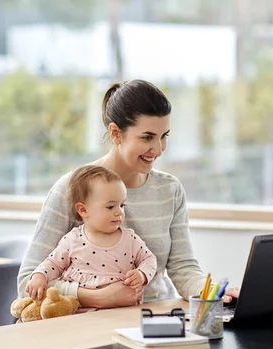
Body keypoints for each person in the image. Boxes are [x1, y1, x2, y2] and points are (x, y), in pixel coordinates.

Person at [18, 79, 240, 308]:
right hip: (87, 324)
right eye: (147, 137)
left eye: (164, 136)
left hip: (154, 321)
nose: (159, 149)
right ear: (115, 134)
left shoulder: (169, 190)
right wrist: (99, 297)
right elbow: (27, 282)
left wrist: (212, 292)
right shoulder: (71, 189)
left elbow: (183, 269)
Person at [25, 165, 157, 304]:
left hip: (122, 312)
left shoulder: (130, 239)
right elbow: (53, 264)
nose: (120, 212)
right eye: (111, 206)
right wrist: (39, 276)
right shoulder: (72, 240)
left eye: (122, 205)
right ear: (83, 210)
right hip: (79, 313)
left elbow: (149, 259)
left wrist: (142, 274)